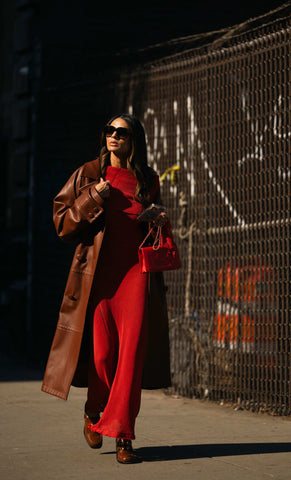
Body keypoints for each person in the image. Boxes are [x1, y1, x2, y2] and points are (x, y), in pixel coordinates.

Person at [41, 114, 171, 464]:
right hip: (98, 277)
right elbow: (61, 221)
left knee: (130, 358)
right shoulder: (89, 173)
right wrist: (93, 198)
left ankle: (124, 435)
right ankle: (94, 411)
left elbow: (151, 228)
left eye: (122, 132)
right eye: (109, 131)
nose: (113, 137)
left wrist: (158, 219)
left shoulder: (147, 179)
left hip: (136, 277)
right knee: (101, 356)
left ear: (133, 140)